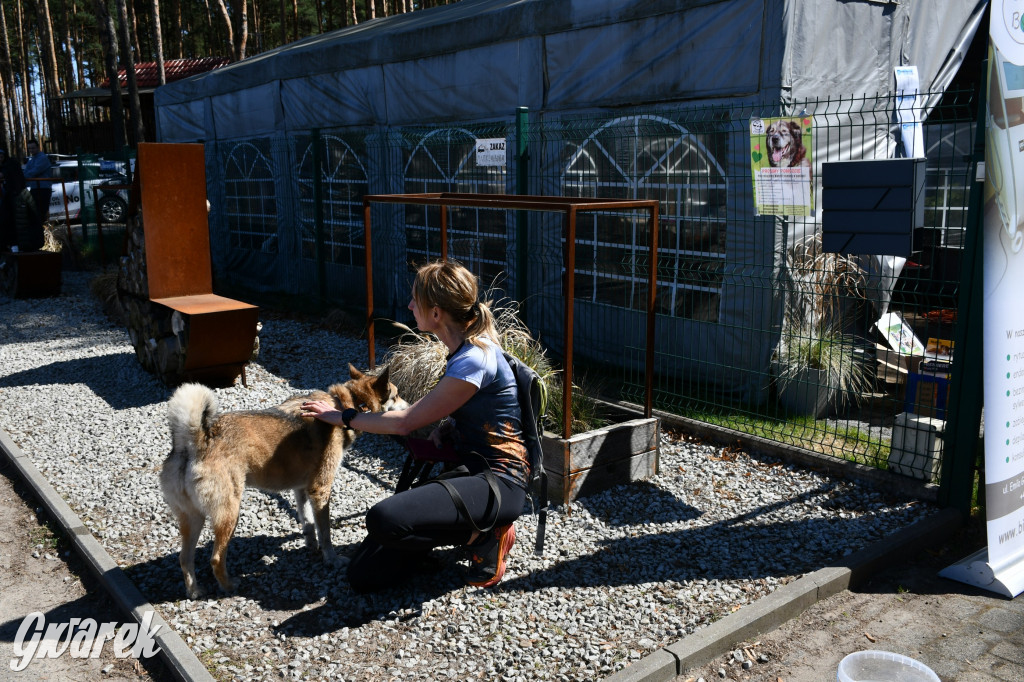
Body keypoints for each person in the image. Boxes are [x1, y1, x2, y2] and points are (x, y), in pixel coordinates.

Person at [301, 260, 529, 591]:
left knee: (383, 519)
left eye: (415, 300)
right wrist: (450, 425)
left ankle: (487, 533)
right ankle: (453, 535)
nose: (409, 306)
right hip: (471, 467)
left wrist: (343, 417)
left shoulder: (473, 358)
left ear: (436, 314)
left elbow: (406, 423)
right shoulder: (468, 346)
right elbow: (482, 406)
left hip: (498, 481)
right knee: (363, 576)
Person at [0, 149, 27, 251]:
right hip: (12, 195)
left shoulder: (9, 165)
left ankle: (15, 245)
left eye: (1, 156)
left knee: (13, 220)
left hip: (15, 195)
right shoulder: (8, 164)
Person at [23, 139, 53, 227]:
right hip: (35, 188)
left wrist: (24, 176)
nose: (31, 150)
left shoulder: (42, 158)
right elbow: (27, 171)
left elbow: (34, 171)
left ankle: (44, 232)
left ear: (38, 147)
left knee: (41, 212)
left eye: (33, 148)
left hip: (43, 188)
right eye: (30, 149)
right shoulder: (32, 160)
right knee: (34, 211)